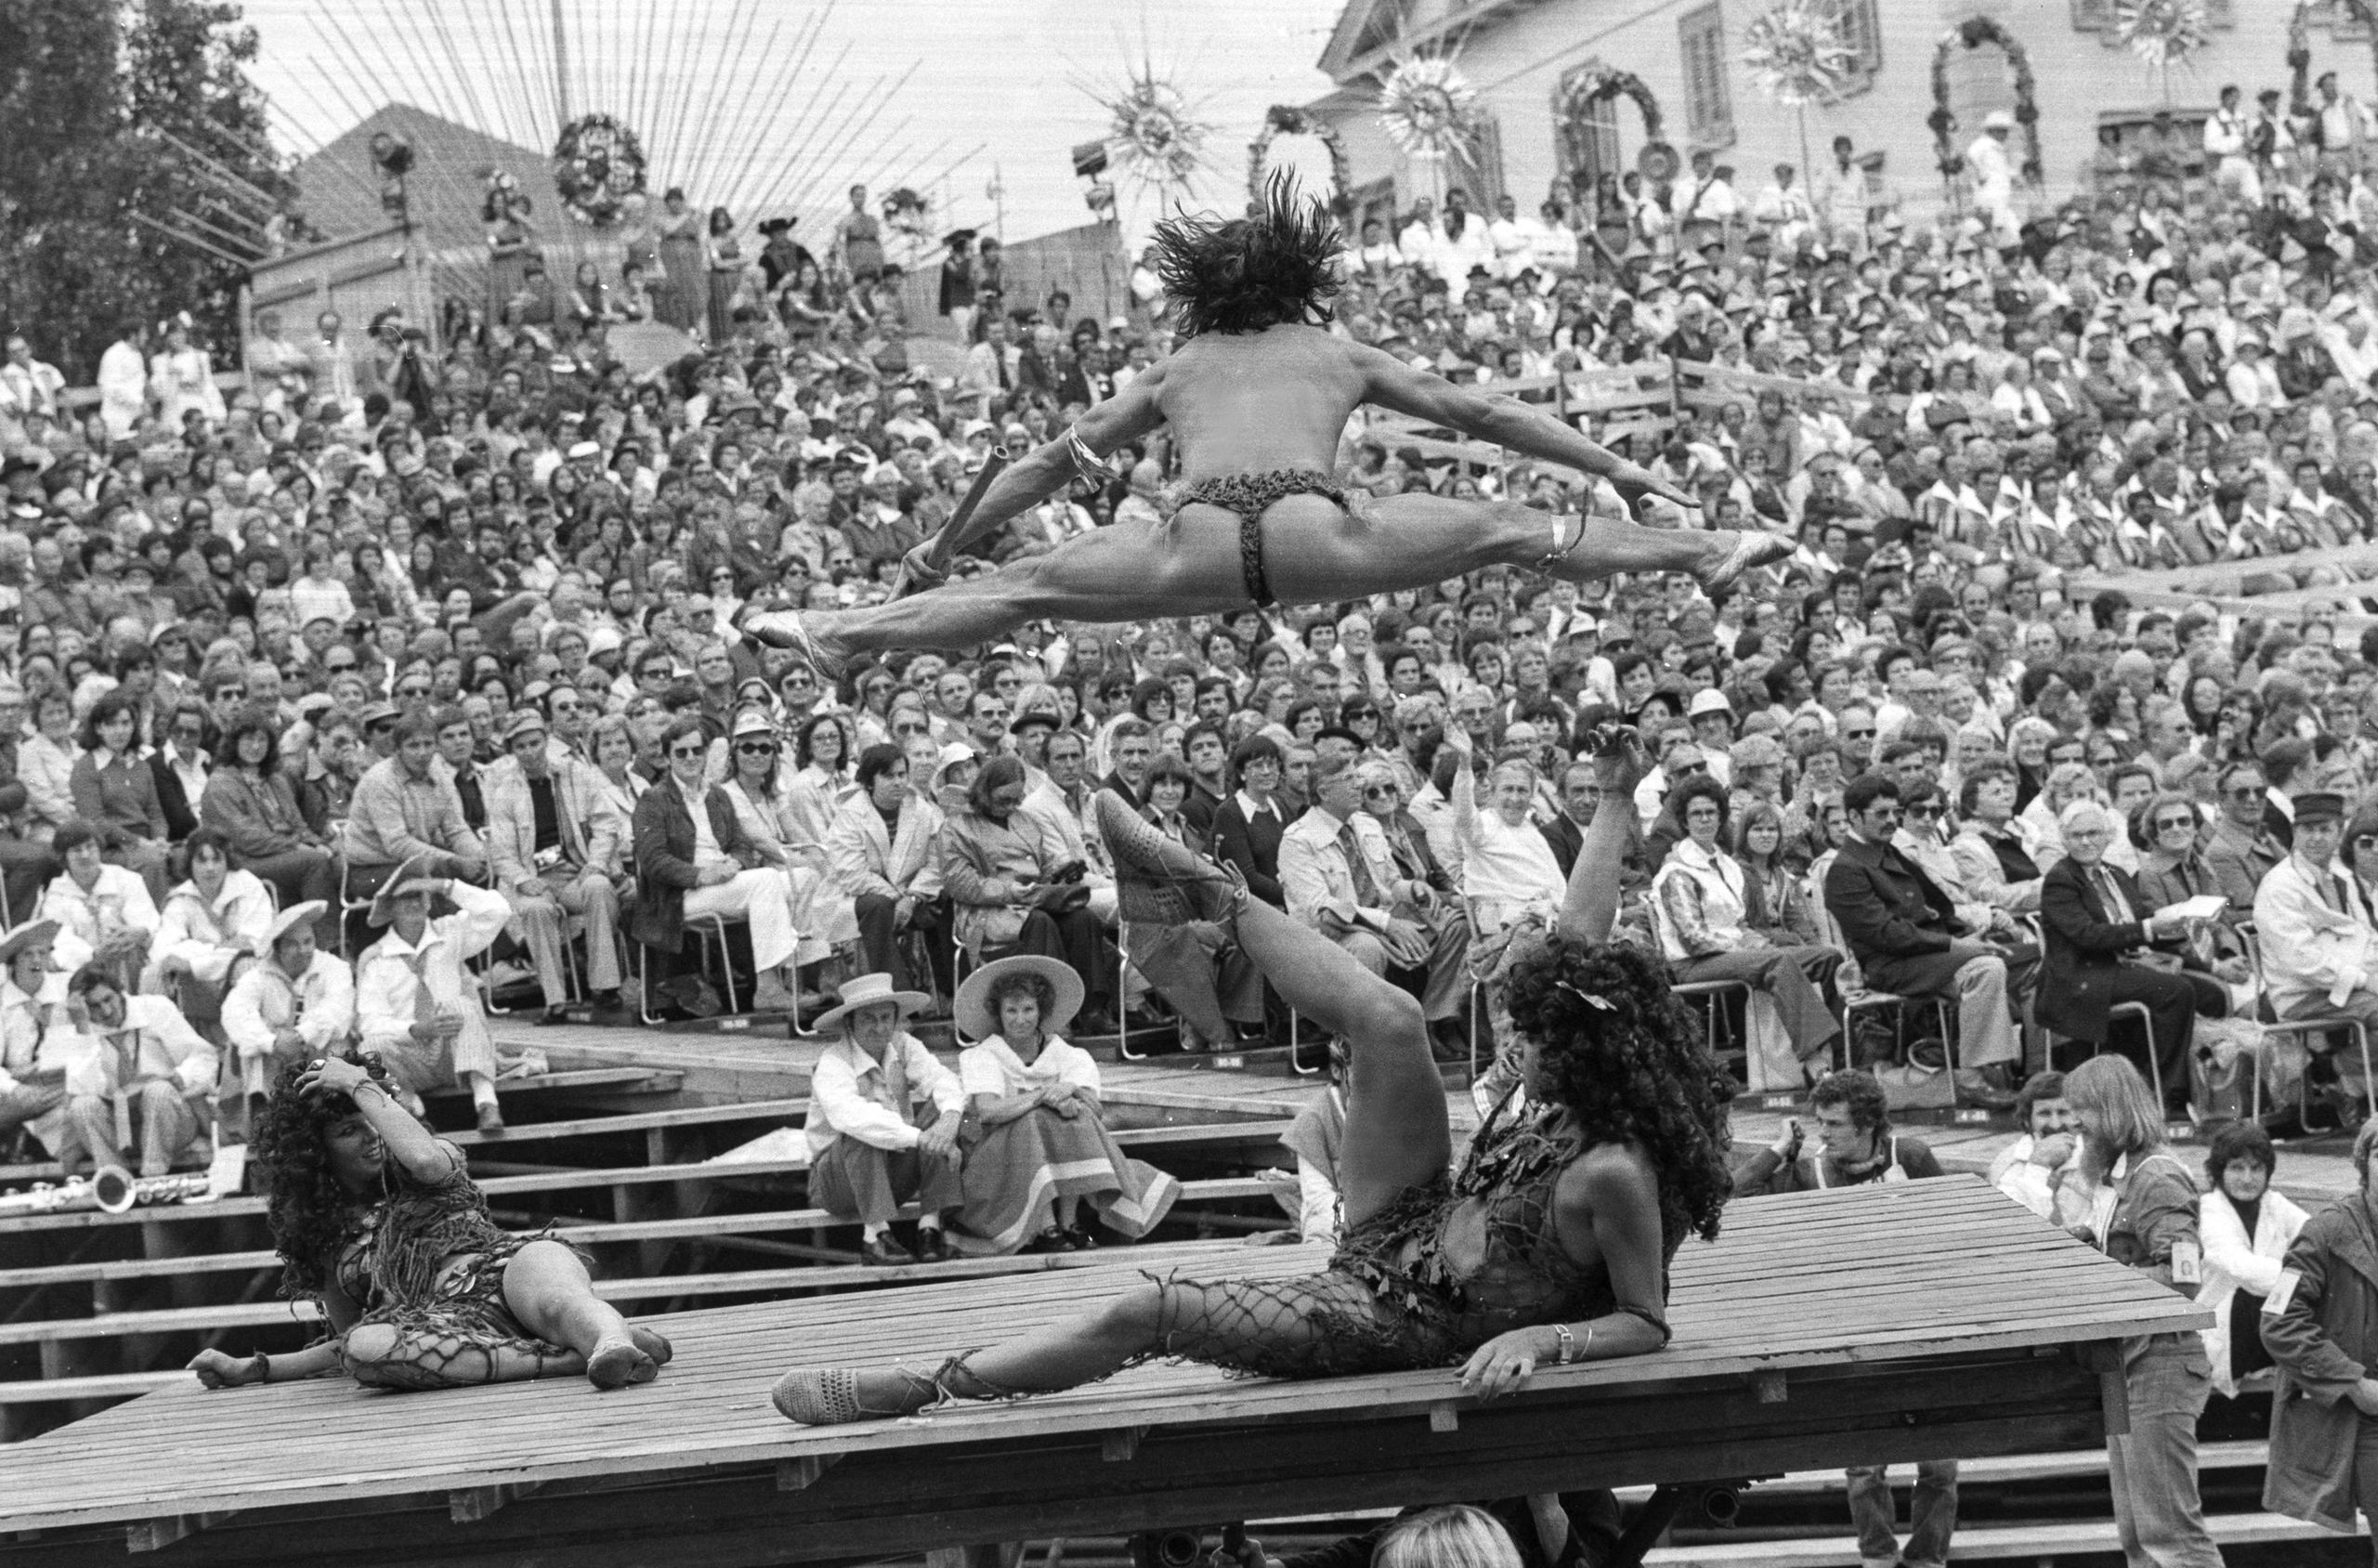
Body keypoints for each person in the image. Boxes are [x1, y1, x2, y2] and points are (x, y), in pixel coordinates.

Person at [772, 734, 1735, 1424]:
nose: (1518, 1048)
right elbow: (1582, 934)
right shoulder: (1573, 1084)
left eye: (1541, 1040)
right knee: (1392, 1023)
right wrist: (1614, 796)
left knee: (1152, 1307)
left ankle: (929, 1384)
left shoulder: (1612, 1167)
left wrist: (1544, 1342)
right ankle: (1209, 894)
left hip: (1403, 1319)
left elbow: (1644, 1319)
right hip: (1409, 1225)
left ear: (1603, 1057)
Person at [741, 184, 1785, 679]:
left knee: (1013, 590)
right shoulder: (1340, 354)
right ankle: (1708, 551)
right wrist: (1617, 465)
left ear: (1199, 293)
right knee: (1517, 526)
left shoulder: (1175, 366)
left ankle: (836, 633)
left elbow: (1047, 464)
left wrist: (948, 545)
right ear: (1303, 280)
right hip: (1315, 534)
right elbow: (1486, 413)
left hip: (1186, 545)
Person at [186, 1051, 671, 1392]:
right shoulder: (330, 1244)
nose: (372, 1138)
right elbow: (345, 1343)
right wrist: (256, 1368)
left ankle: (605, 1341)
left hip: (504, 1273)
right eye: (348, 1130)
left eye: (375, 1121)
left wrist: (360, 1084)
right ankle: (577, 1354)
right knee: (366, 1348)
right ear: (316, 1152)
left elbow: (424, 1160)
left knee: (552, 1284)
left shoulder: (424, 1163)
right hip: (441, 1330)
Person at [1734, 1068, 1955, 1568]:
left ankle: (1928, 1560)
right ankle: (1877, 1557)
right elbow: (1734, 1202)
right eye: (1820, 1122)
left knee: (1939, 1462)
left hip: (1923, 1320)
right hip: (1855, 1327)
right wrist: (1776, 1153)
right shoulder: (1812, 1171)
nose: (1824, 1132)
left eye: (1834, 1123)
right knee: (1864, 1464)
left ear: (1867, 1125)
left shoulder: (1912, 1157)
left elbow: (1952, 1223)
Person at [2061, 1054, 2224, 1568]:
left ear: (2109, 1109)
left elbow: (2183, 1277)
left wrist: (2104, 1276)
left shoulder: (2157, 1178)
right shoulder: (2119, 1177)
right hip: (2130, 1365)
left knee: (2171, 1536)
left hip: (2162, 1365)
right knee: (2139, 1537)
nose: (2073, 1124)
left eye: (2080, 1110)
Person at [947, 954, 1180, 1255]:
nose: (1021, 1019)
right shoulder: (984, 1055)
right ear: (999, 1014)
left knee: (1077, 1114)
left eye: (1028, 1009)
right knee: (1034, 1118)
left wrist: (1070, 1089)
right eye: (1012, 1010)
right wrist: (1043, 1096)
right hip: (995, 1153)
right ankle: (1046, 1225)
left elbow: (1095, 1111)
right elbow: (989, 1111)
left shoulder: (1066, 1053)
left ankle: (1068, 1220)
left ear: (1041, 1011)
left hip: (1049, 1147)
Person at [1823, 774, 2024, 1109]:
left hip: (1929, 954)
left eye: (1894, 812)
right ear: (1854, 817)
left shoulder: (1889, 853)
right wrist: (1956, 947)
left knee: (2027, 957)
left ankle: (2020, 1067)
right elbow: (1887, 934)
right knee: (1986, 968)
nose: (1891, 821)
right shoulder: (1847, 869)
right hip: (1891, 965)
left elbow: (1939, 908)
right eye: (1881, 814)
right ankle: (1972, 1078)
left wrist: (1966, 936)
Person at [1648, 776, 1841, 1090]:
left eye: (1711, 812)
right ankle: (1818, 1068)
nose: (1705, 819)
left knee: (1828, 958)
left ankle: (1840, 1057)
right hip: (1695, 964)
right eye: (1697, 814)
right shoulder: (1676, 871)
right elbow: (1693, 938)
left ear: (1722, 816)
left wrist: (1757, 943)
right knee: (1777, 963)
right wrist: (1748, 948)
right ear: (1684, 820)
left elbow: (1742, 924)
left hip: (1737, 953)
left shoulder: (1728, 867)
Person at [2037, 799, 2225, 1113]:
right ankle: (2163, 1093)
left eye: (2094, 833)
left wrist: (2208, 961)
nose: (2085, 841)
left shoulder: (2117, 873)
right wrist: (2149, 928)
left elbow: (2145, 928)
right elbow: (2088, 936)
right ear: (2064, 840)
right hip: (2083, 974)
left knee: (2209, 991)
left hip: (2126, 963)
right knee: (2175, 991)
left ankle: (2203, 1091)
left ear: (2108, 836)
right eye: (2076, 835)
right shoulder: (2061, 880)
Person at [630, 714, 807, 1016]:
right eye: (681, 752)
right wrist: (702, 875)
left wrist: (734, 863)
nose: (690, 758)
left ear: (706, 753)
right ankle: (767, 988)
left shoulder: (718, 795)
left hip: (725, 883)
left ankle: (796, 980)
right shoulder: (654, 800)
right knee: (766, 879)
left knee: (803, 877)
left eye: (697, 751)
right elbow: (653, 861)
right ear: (668, 757)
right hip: (679, 896)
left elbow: (740, 844)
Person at [2261, 1117, 2378, 1537]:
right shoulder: (2326, 1231)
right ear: (2364, 1162)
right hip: (2365, 1416)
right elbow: (2280, 1321)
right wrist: (2352, 1382)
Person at [802, 973, 964, 1265]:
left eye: (885, 1018)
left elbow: (943, 1079)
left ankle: (930, 1227)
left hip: (891, 1172)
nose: (879, 1028)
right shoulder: (834, 1061)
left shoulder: (905, 1045)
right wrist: (920, 1137)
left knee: (947, 1109)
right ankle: (875, 1236)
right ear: (850, 1022)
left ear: (895, 1019)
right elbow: (852, 1116)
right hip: (836, 1182)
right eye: (868, 1019)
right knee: (861, 1130)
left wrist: (950, 1120)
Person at [483, 707, 627, 1020]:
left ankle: (605, 987)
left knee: (599, 887)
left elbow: (606, 823)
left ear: (545, 740)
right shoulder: (506, 790)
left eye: (534, 743)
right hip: (536, 877)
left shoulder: (575, 773)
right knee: (535, 909)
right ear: (512, 751)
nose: (529, 752)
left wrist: (597, 862)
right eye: (520, 746)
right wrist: (522, 881)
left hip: (575, 869)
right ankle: (555, 1000)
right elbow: (502, 851)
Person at [353, 856, 514, 1135]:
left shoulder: (449, 931)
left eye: (419, 895)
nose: (414, 903)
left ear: (429, 901)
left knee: (459, 1004)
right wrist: (415, 1029)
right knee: (371, 1045)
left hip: (456, 1054)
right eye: (405, 898)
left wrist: (445, 886)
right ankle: (415, 1113)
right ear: (391, 908)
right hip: (410, 1059)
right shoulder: (377, 958)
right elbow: (369, 1022)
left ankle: (486, 1103)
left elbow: (498, 911)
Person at [2251, 790, 2378, 1125]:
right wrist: (2367, 980)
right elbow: (2301, 961)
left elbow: (2363, 935)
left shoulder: (2343, 879)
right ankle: (2335, 1073)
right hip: (2302, 993)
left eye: (2325, 829)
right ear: (2295, 832)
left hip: (2345, 985)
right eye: (2308, 829)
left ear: (2339, 833)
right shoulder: (2280, 885)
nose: (2316, 838)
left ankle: (2342, 1077)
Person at [48, 961, 218, 1177]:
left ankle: (152, 1178)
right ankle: (116, 1183)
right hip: (119, 1132)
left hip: (171, 1123)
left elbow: (204, 1057)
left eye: (108, 999)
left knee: (158, 1090)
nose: (106, 1011)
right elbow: (81, 1089)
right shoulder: (78, 1030)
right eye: (94, 1006)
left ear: (121, 993)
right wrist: (84, 1030)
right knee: (83, 1105)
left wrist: (179, 1076)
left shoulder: (155, 1007)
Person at [199, 707, 341, 946]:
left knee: (336, 859)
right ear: (234, 743)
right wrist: (297, 847)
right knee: (314, 862)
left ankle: (347, 940)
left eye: (261, 739)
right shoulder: (220, 783)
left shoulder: (275, 778)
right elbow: (246, 838)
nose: (255, 746)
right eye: (248, 739)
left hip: (286, 852)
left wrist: (318, 843)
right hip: (246, 859)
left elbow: (298, 824)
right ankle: (328, 946)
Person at [2196, 1122, 2306, 1404]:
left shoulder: (2273, 1203)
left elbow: (2316, 1233)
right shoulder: (2209, 1210)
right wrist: (2304, 1276)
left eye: (2256, 1169)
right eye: (2236, 1168)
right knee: (2274, 1293)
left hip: (2263, 1324)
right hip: (2224, 1329)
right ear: (2219, 1171)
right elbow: (2241, 1267)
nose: (2247, 1178)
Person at [827, 742, 947, 997]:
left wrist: (913, 897)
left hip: (912, 895)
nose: (898, 782)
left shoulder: (923, 810)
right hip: (858, 897)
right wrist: (898, 899)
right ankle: (897, 998)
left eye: (902, 775)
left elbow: (936, 864)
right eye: (888, 776)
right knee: (878, 905)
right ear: (870, 781)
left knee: (949, 901)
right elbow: (853, 874)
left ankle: (950, 993)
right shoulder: (850, 812)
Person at [221, 899, 353, 1130]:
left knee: (338, 1043)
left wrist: (301, 1035)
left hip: (317, 1047)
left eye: (308, 941)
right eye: (293, 944)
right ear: (278, 948)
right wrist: (271, 1041)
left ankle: (335, 1121)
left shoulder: (334, 967)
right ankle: (269, 1125)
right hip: (277, 1056)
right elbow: (234, 1012)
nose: (303, 950)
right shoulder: (259, 975)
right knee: (252, 1048)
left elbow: (337, 1010)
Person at [145, 826, 273, 1030]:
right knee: (153, 972)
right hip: (204, 974)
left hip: (241, 966)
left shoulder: (248, 887)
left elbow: (253, 944)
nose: (210, 868)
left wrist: (194, 960)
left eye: (217, 859)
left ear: (227, 861)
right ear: (190, 864)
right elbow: (162, 949)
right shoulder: (183, 897)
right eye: (202, 860)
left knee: (246, 966)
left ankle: (255, 1038)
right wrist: (214, 950)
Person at [70, 690, 172, 902]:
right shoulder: (87, 767)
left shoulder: (142, 765)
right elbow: (96, 822)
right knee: (152, 862)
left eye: (125, 723)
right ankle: (153, 926)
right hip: (112, 845)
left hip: (146, 841)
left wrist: (160, 839)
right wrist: (138, 843)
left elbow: (155, 814)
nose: (120, 731)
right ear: (99, 728)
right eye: (112, 724)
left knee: (184, 858)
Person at [41, 819, 161, 993]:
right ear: (64, 856)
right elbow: (62, 940)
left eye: (90, 847)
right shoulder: (56, 895)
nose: (85, 855)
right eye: (76, 850)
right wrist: (95, 954)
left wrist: (137, 932)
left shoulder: (126, 880)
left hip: (128, 961)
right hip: (82, 969)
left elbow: (146, 920)